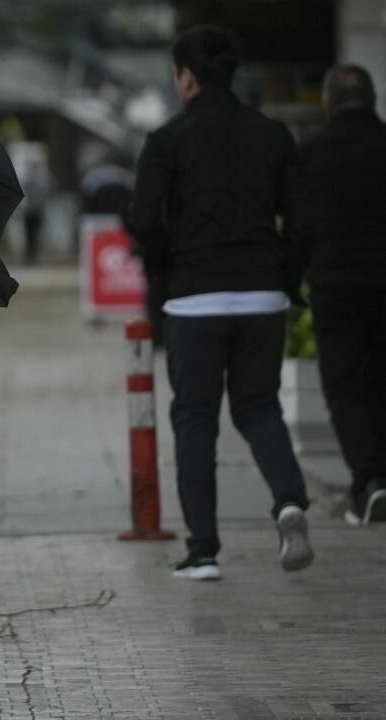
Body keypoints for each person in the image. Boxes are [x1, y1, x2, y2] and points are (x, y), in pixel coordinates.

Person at [129, 26, 315, 581]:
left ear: (185, 77)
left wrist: (166, 274)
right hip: (263, 295)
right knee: (259, 407)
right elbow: (303, 222)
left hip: (194, 300)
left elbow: (142, 220)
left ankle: (204, 551)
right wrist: (285, 276)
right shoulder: (274, 135)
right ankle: (288, 502)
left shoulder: (166, 140)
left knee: (194, 419)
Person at [293, 65, 386, 525]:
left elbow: (293, 225)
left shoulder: (311, 151)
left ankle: (369, 481)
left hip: (334, 286)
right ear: (372, 100)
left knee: (343, 386)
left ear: (327, 103)